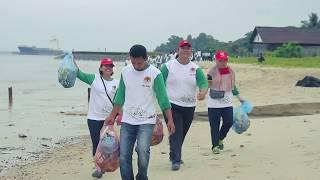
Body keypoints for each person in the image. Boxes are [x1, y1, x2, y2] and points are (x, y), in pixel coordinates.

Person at [105, 44, 175, 180]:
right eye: (133, 62)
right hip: (128, 120)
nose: (136, 65)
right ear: (130, 58)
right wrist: (112, 116)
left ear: (146, 59)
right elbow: (120, 96)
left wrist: (170, 120)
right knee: (124, 155)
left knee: (143, 151)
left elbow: (163, 100)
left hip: (147, 121)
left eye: (140, 62)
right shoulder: (125, 71)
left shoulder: (155, 74)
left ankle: (142, 176)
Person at [160, 40, 208, 171]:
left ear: (191, 51)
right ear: (178, 50)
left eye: (188, 49)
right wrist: (161, 101)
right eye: (183, 48)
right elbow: (159, 84)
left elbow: (203, 82)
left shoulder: (195, 68)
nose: (185, 51)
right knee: (176, 131)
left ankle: (173, 153)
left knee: (182, 133)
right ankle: (176, 159)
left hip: (189, 106)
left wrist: (203, 92)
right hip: (171, 105)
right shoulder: (168, 66)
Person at [74, 57, 119, 178]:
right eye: (105, 65)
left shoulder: (117, 82)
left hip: (108, 120)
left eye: (110, 66)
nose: (108, 67)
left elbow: (119, 101)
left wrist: (119, 115)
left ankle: (106, 163)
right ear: (101, 68)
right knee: (96, 143)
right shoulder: (94, 79)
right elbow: (78, 73)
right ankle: (99, 168)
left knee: (108, 144)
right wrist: (72, 61)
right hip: (93, 118)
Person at [207, 50, 243, 154]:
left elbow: (233, 85)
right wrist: (202, 93)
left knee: (229, 122)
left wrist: (239, 97)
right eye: (220, 60)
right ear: (216, 60)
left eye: (225, 60)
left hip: (227, 102)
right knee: (214, 125)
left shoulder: (230, 71)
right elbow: (206, 84)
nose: (223, 63)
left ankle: (220, 138)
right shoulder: (211, 72)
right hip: (213, 103)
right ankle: (215, 146)